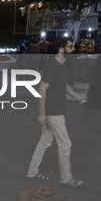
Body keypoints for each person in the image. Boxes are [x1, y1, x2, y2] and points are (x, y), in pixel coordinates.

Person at [26, 38, 87, 189]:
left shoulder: (62, 67)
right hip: (54, 112)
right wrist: (42, 114)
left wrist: (78, 97)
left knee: (44, 142)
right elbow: (42, 90)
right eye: (70, 46)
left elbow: (64, 85)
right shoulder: (53, 66)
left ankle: (32, 172)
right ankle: (66, 179)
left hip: (55, 110)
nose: (73, 49)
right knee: (65, 144)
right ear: (61, 49)